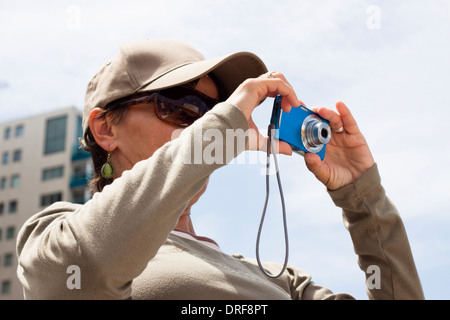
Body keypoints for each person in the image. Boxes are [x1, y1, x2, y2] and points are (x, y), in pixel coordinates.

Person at [16, 39, 424, 300]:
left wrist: (362, 196)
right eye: (180, 108)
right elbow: (89, 268)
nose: (203, 124)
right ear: (106, 129)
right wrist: (219, 129)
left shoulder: (279, 279)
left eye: (212, 112)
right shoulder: (54, 233)